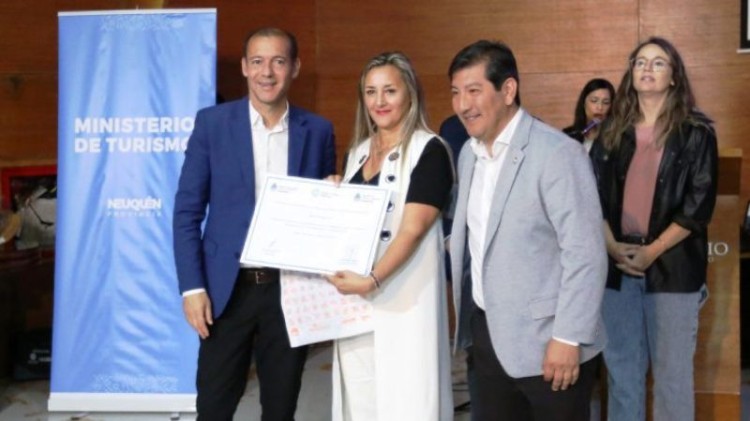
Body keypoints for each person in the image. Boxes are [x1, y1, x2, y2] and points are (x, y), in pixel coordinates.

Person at [173, 27, 336, 420]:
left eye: (278, 61)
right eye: (258, 61)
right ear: (245, 67)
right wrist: (192, 288)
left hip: (289, 292)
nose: (267, 72)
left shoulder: (318, 131)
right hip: (226, 292)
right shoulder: (212, 124)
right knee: (214, 407)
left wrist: (334, 197)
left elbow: (322, 218)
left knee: (281, 408)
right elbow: (186, 212)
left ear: (294, 67)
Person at [448, 40, 607, 421]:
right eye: (455, 93)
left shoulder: (556, 153)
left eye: (474, 91)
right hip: (487, 340)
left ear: (508, 90)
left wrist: (568, 337)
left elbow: (585, 253)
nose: (463, 105)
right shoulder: (469, 154)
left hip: (550, 346)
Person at [592, 36, 717, 421]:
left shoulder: (696, 133)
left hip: (672, 267)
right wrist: (612, 245)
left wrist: (652, 250)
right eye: (640, 62)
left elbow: (698, 207)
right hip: (618, 266)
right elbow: (591, 197)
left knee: (672, 380)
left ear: (674, 77)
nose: (647, 68)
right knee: (623, 377)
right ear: (631, 73)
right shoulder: (611, 132)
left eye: (658, 62)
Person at [326, 51, 454, 421]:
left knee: (408, 402)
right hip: (354, 305)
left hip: (404, 300)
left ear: (410, 94)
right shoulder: (357, 153)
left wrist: (373, 279)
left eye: (390, 91)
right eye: (370, 92)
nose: (379, 101)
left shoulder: (430, 149)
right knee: (361, 402)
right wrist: (332, 193)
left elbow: (413, 229)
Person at [562, 78, 615, 153]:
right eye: (594, 101)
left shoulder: (616, 139)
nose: (600, 107)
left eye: (606, 102)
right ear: (584, 103)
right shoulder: (569, 135)